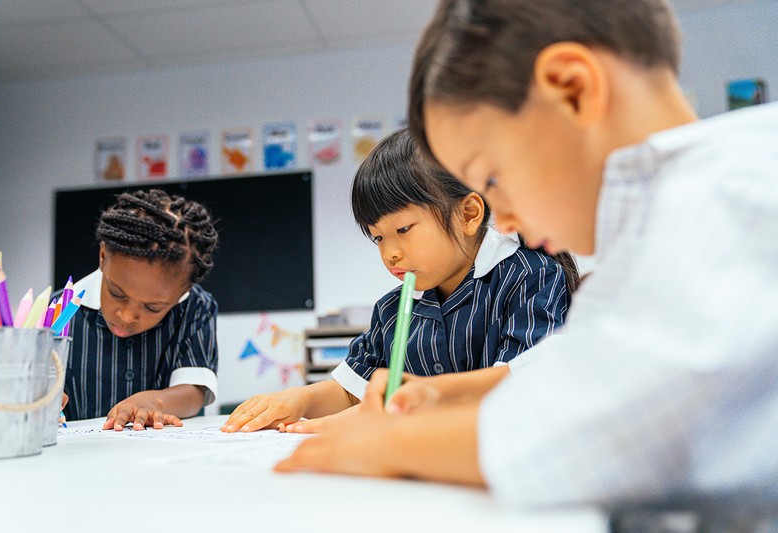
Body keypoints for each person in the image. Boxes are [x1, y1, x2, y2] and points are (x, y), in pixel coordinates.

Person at [274, 0, 778, 508]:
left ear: (573, 90)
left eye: (491, 177)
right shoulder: (656, 225)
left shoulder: (737, 186)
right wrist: (444, 394)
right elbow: (582, 367)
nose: (505, 220)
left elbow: (615, 433)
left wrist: (389, 444)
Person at [222, 128, 578, 433]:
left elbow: (522, 384)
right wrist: (298, 399)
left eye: (403, 230)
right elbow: (352, 390)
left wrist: (393, 413)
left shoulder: (529, 277)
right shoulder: (394, 309)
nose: (389, 254)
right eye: (378, 238)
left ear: (468, 215)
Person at [62, 189, 220, 431]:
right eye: (117, 293)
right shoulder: (59, 311)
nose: (126, 316)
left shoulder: (196, 307)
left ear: (182, 292)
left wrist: (152, 402)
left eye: (152, 307)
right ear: (103, 256)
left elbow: (195, 391)